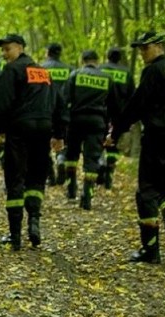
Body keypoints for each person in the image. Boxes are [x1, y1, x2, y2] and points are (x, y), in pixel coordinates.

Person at [106, 31, 165, 263]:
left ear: (159, 46)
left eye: (145, 49)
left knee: (147, 190)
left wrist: (116, 131)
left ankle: (150, 249)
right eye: (139, 50)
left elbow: (137, 104)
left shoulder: (154, 71)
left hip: (157, 135)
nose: (141, 54)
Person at [0, 33, 67, 250]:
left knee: (15, 177)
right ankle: (34, 223)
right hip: (43, 129)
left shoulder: (12, 70)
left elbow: (2, 104)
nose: (4, 54)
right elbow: (59, 104)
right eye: (3, 50)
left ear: (20, 48)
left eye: (8, 49)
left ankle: (15, 235)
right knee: (36, 177)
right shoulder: (43, 72)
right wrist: (59, 134)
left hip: (20, 129)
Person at [64, 49, 120, 210]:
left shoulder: (75, 75)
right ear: (97, 61)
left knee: (72, 156)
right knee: (92, 159)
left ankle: (71, 190)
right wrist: (112, 126)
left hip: (76, 120)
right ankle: (87, 196)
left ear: (83, 60)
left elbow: (65, 99)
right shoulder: (107, 78)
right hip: (97, 122)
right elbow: (113, 106)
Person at [97, 46, 136, 189]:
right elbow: (133, 97)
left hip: (102, 111)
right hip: (119, 114)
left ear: (107, 56)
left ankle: (100, 164)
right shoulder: (126, 73)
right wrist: (130, 119)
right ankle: (110, 174)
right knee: (113, 144)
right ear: (119, 58)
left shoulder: (100, 70)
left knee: (100, 141)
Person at [41, 43, 73, 186]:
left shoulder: (40, 69)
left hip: (45, 110)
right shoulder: (70, 70)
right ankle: (60, 159)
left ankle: (50, 176)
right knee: (61, 139)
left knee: (43, 144)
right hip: (64, 110)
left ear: (48, 52)